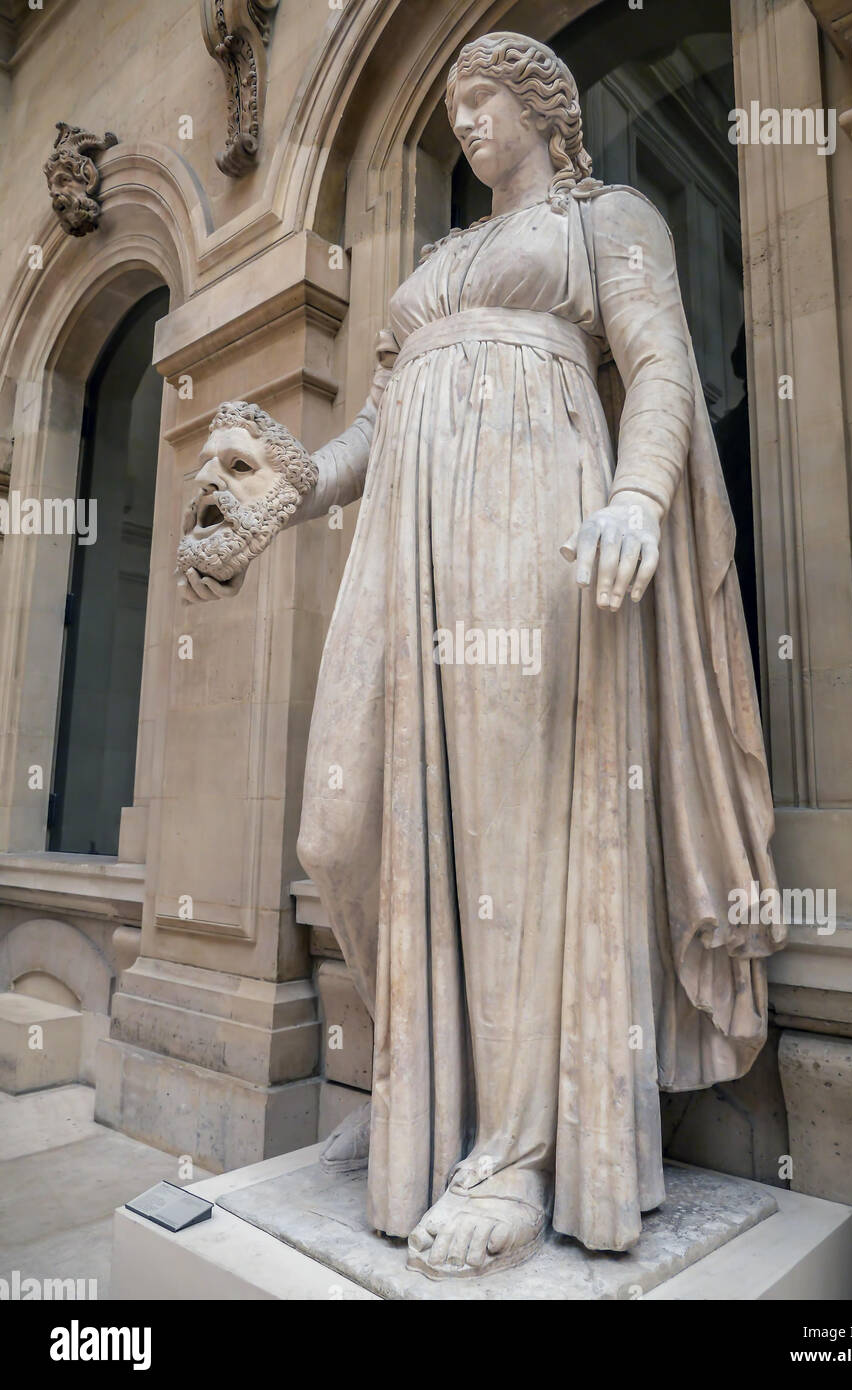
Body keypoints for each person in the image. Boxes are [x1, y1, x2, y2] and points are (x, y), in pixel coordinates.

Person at [181, 31, 782, 1280]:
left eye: (483, 97)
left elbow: (661, 366)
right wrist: (285, 493)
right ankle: (428, 1100)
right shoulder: (444, 260)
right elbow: (371, 426)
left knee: (516, 833)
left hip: (535, 518)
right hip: (409, 544)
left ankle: (514, 1152)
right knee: (342, 822)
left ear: (545, 110)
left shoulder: (604, 219)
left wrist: (635, 496)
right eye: (451, 104)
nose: (464, 121)